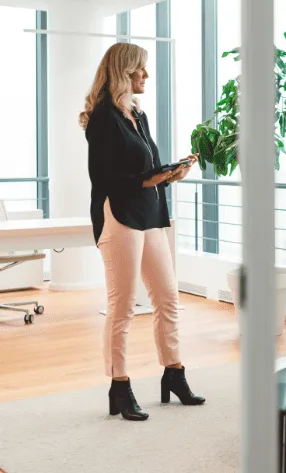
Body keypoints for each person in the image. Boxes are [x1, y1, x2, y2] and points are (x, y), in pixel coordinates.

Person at [79, 43, 205, 422]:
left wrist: (169, 175)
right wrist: (151, 177)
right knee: (123, 306)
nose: (145, 76)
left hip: (150, 214)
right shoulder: (103, 118)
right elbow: (104, 179)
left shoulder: (137, 114)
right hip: (119, 215)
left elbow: (146, 172)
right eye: (140, 70)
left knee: (167, 297)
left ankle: (174, 374)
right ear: (123, 72)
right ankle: (119, 385)